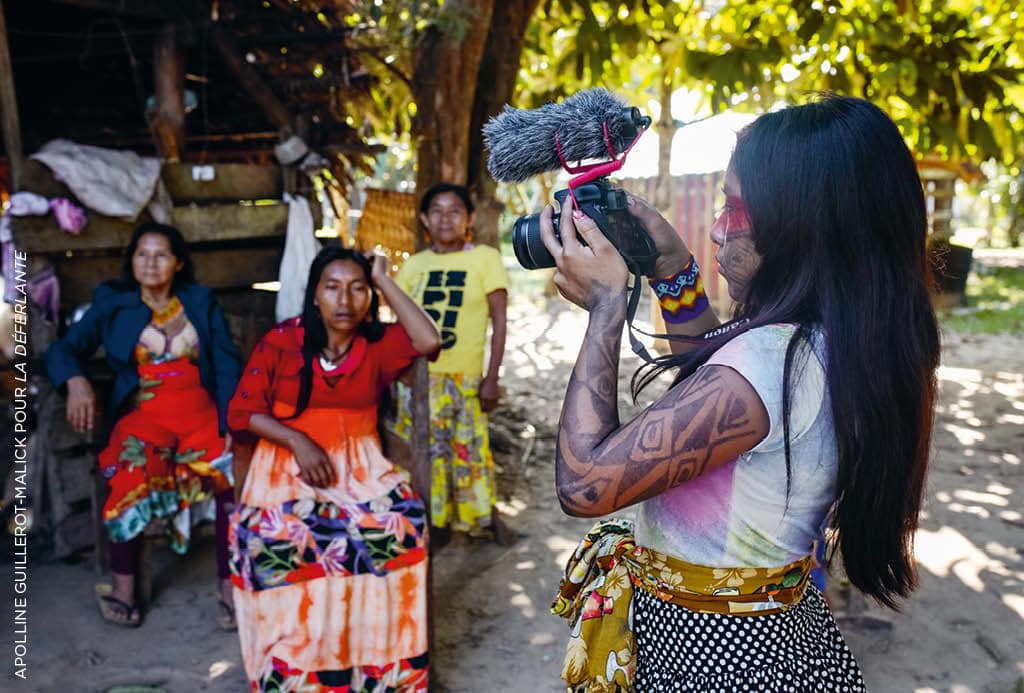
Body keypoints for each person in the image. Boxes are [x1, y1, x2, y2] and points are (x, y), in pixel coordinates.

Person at [541, 95, 940, 691]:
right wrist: (672, 267)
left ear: (801, 222)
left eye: (734, 207)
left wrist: (604, 310)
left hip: (714, 661)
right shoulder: (828, 340)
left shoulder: (772, 358)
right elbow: (711, 382)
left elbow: (586, 482)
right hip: (774, 640)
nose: (718, 227)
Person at [227, 246, 441, 691]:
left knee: (396, 529)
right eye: (333, 288)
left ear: (369, 298)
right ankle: (296, 672)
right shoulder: (283, 341)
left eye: (358, 288)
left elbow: (429, 341)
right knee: (281, 537)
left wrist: (383, 278)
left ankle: (374, 672)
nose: (345, 300)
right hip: (284, 466)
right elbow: (244, 411)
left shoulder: (377, 345)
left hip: (361, 467)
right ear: (315, 296)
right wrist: (297, 440)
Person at [46, 222, 243, 628]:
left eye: (161, 255)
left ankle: (230, 587)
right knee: (130, 468)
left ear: (178, 263)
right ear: (131, 261)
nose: (151, 262)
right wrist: (76, 381)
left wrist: (230, 424)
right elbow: (63, 349)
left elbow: (225, 364)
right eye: (142, 254)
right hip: (146, 414)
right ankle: (124, 589)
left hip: (201, 412)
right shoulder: (112, 303)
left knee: (231, 471)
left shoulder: (200, 301)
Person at [391, 183, 514, 545]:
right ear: (425, 219)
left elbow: (500, 321)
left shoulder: (485, 259)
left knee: (469, 451)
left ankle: (479, 518)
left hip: (465, 378)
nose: (446, 218)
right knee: (424, 456)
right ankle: (434, 523)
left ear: (469, 218)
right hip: (417, 380)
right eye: (437, 211)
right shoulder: (414, 265)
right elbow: (398, 325)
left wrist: (492, 378)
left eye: (455, 211)